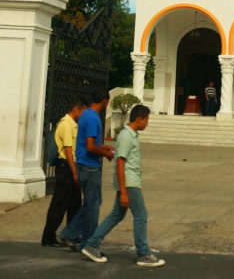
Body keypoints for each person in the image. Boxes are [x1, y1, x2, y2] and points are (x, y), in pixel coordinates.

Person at [80, 104, 165, 267]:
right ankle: (143, 253)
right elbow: (120, 163)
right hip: (129, 182)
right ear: (139, 119)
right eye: (146, 120)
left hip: (128, 181)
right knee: (141, 216)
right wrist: (124, 191)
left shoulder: (131, 135)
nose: (147, 123)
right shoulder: (126, 136)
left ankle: (92, 245)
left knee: (116, 215)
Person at [58, 89, 115, 252]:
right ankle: (88, 244)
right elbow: (90, 147)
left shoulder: (86, 115)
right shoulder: (92, 118)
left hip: (85, 164)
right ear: (104, 101)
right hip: (89, 167)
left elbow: (89, 142)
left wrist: (104, 147)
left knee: (92, 204)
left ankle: (71, 234)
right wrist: (105, 154)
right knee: (93, 206)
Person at [42, 97, 86, 247]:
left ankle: (71, 235)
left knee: (75, 203)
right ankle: (48, 237)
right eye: (82, 111)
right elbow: (68, 149)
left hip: (71, 166)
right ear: (76, 109)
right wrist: (74, 172)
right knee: (59, 204)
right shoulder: (66, 124)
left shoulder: (73, 124)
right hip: (66, 167)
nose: (83, 115)